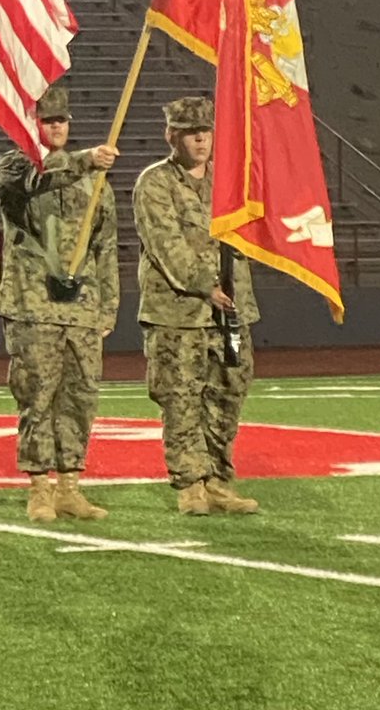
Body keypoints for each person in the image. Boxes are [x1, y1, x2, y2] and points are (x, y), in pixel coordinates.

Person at [0, 82, 119, 523]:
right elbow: (35, 181)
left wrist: (108, 306)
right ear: (33, 125)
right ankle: (39, 488)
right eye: (48, 121)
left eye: (62, 120)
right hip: (34, 304)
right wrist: (85, 160)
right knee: (37, 395)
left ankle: (70, 486)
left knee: (80, 397)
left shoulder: (95, 182)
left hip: (83, 307)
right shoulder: (15, 166)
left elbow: (106, 244)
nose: (57, 127)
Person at [132, 96, 260, 516]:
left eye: (206, 131)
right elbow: (167, 245)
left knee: (227, 393)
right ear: (172, 136)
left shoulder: (230, 183)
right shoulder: (156, 183)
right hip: (179, 312)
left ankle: (219, 479)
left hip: (230, 311)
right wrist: (206, 285)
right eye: (190, 132)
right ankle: (190, 483)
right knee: (181, 397)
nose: (201, 138)